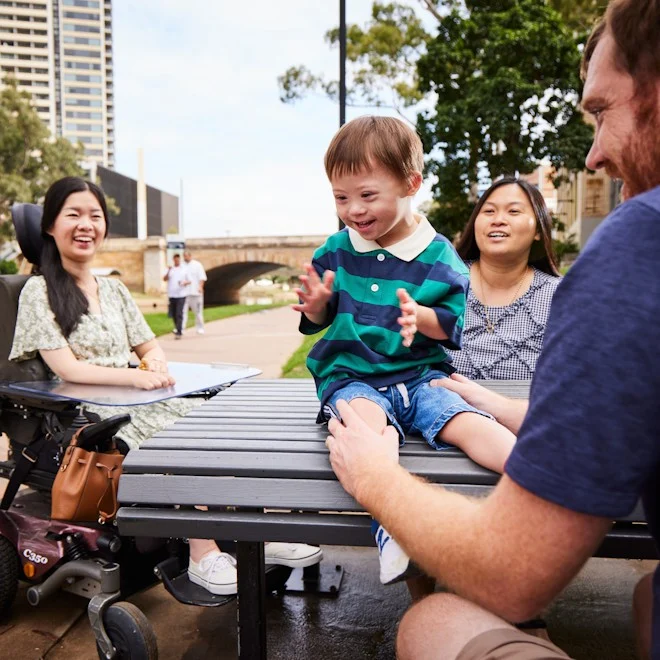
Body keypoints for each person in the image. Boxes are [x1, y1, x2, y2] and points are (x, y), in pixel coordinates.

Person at [325, 3, 660, 658]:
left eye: (601, 111)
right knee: (650, 594)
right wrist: (508, 406)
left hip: (466, 470)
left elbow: (513, 573)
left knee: (433, 621)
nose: (594, 155)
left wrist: (376, 479)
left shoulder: (636, 248)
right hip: (468, 410)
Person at [9, 176, 322, 598]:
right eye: (74, 215)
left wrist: (154, 362)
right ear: (50, 226)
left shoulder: (114, 289)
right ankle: (202, 554)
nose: (86, 225)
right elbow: (67, 368)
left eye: (95, 216)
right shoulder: (38, 290)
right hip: (89, 409)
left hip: (138, 396)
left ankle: (258, 531)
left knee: (218, 425)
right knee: (174, 443)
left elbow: (149, 344)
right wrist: (136, 375)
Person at [295, 115, 516, 586]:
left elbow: (452, 322)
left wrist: (424, 318)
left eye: (367, 195)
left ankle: (536, 476)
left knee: (466, 423)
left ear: (411, 183)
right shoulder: (336, 251)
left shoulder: (438, 255)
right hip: (353, 377)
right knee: (368, 430)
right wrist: (318, 307)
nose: (353, 209)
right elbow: (319, 320)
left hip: (420, 375)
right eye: (341, 198)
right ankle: (392, 527)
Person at [447, 177, 561, 380]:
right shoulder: (443, 280)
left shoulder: (560, 296)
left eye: (514, 211)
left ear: (537, 230)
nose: (497, 220)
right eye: (489, 211)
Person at [182, 250, 207, 334]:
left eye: (186, 256)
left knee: (198, 312)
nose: (185, 258)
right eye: (184, 256)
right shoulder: (182, 265)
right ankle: (181, 328)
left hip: (195, 293)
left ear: (190, 256)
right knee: (182, 312)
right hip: (184, 293)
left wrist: (200, 287)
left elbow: (202, 278)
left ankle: (200, 327)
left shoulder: (197, 265)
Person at [163, 253, 187, 339]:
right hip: (172, 295)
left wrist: (184, 283)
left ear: (179, 259)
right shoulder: (170, 269)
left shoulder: (184, 269)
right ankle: (177, 328)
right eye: (175, 259)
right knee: (173, 314)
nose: (176, 261)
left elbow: (189, 280)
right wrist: (169, 270)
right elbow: (164, 279)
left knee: (179, 313)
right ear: (173, 260)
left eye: (178, 259)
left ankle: (179, 332)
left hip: (181, 294)